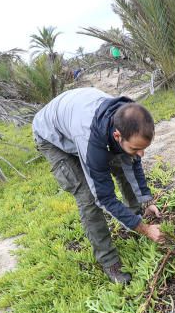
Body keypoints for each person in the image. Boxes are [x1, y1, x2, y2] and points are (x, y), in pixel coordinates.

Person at [33, 87, 164, 283]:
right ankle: (110, 263)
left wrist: (146, 200)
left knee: (123, 161)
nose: (141, 154)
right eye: (137, 148)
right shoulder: (90, 141)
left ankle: (136, 216)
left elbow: (132, 162)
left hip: (75, 118)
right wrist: (145, 229)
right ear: (117, 136)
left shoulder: (129, 119)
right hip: (52, 135)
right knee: (88, 197)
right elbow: (104, 198)